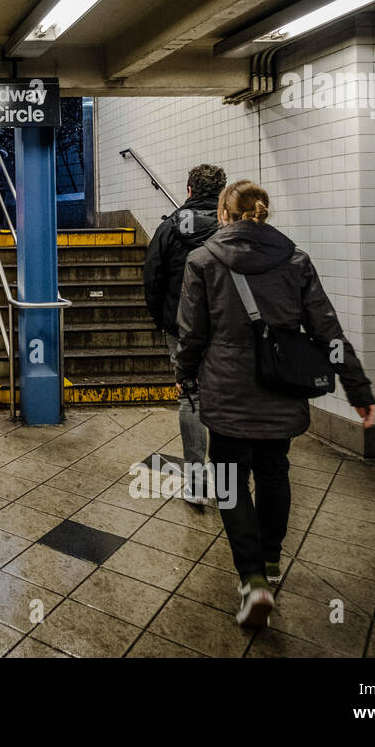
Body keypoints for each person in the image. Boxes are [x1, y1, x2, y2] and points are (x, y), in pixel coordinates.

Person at [175, 179, 375, 629]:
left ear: (223, 215)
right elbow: (328, 331)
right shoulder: (296, 261)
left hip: (227, 389)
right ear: (264, 212)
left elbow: (192, 333)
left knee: (228, 478)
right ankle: (270, 561)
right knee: (274, 470)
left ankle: (252, 581)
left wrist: (185, 375)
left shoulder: (203, 260)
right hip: (282, 387)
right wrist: (358, 390)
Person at [142, 163, 226, 507]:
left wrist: (163, 319)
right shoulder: (230, 227)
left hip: (181, 327)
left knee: (189, 398)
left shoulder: (169, 228)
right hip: (226, 328)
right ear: (221, 193)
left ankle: (196, 483)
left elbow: (153, 278)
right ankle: (226, 481)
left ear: (189, 190)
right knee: (225, 397)